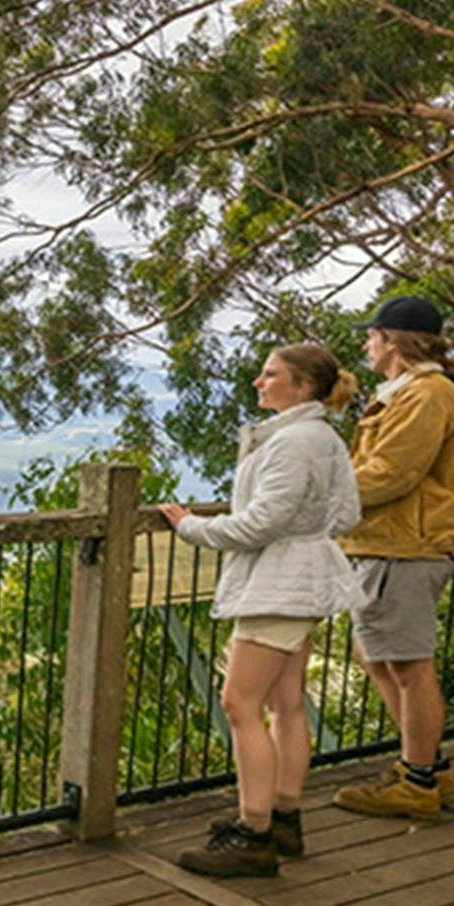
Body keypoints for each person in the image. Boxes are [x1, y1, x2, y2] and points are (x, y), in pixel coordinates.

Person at [161, 344, 366, 876]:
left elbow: (258, 525)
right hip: (305, 582)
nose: (258, 382)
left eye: (270, 374)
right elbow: (346, 512)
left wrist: (190, 527)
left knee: (239, 703)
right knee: (287, 701)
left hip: (277, 586)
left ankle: (253, 833)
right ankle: (284, 818)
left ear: (300, 387)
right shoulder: (325, 438)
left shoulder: (293, 442)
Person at [331, 295, 454, 822]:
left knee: (411, 666)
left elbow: (391, 472)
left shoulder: (426, 396)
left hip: (406, 545)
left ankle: (417, 783)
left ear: (393, 341)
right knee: (378, 654)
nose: (366, 345)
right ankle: (429, 767)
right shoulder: (409, 394)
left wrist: (317, 499)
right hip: (389, 543)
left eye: (372, 336)